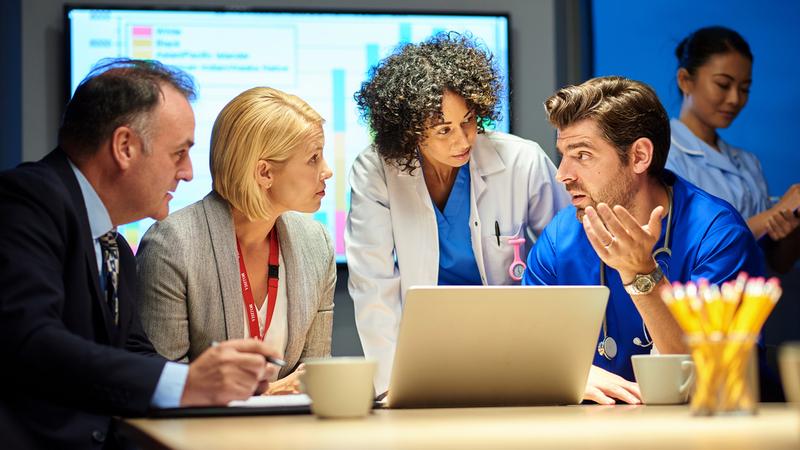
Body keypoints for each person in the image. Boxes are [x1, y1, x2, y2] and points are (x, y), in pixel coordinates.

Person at [0, 59, 281, 448]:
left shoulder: (115, 247)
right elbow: (31, 340)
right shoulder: (26, 200)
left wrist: (220, 379)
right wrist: (186, 382)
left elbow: (132, 353)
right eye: (179, 152)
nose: (187, 171)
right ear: (125, 147)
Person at [346, 32, 569, 395]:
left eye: (468, 121)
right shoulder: (376, 171)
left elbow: (568, 252)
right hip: (424, 347)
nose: (463, 140)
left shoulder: (521, 160)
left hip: (515, 342)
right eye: (443, 129)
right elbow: (373, 283)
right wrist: (390, 389)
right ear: (409, 132)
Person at [523, 76, 764, 405]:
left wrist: (642, 274)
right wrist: (570, 375)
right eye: (563, 154)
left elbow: (713, 375)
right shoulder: (560, 238)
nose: (562, 174)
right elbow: (525, 350)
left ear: (639, 156)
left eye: (582, 155)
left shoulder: (717, 235)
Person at [137, 87, 335, 395]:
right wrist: (266, 395)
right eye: (313, 158)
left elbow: (314, 380)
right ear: (264, 173)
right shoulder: (173, 246)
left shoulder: (316, 243)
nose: (328, 171)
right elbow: (164, 389)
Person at [667, 26, 800, 271]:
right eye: (723, 84)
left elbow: (776, 264)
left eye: (744, 88)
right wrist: (774, 213)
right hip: (695, 303)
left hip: (752, 302)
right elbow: (689, 252)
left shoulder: (748, 163)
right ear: (685, 80)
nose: (735, 99)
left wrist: (791, 223)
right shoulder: (665, 157)